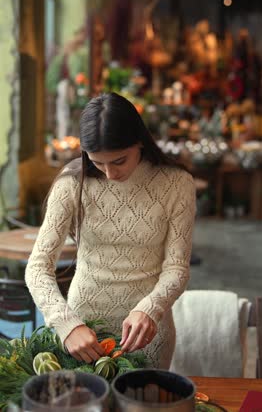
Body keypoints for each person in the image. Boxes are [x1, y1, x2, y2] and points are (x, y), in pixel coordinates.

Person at [25, 92, 196, 369]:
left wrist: (151, 308)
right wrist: (66, 323)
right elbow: (37, 267)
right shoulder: (72, 183)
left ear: (139, 141)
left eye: (118, 161)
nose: (108, 174)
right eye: (96, 162)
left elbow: (177, 268)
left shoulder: (177, 184)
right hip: (82, 333)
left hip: (148, 334)